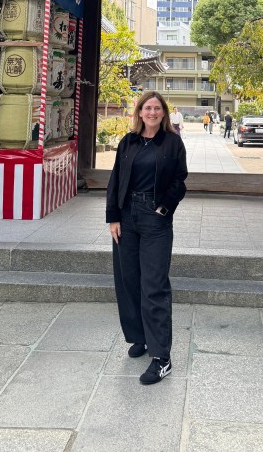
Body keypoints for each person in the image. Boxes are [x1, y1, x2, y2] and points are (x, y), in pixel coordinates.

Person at [106, 90, 188, 385]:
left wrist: (164, 207)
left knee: (154, 285)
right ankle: (139, 337)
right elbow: (115, 180)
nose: (152, 112)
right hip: (127, 217)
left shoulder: (172, 143)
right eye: (147, 108)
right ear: (139, 112)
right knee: (128, 280)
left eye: (157, 108)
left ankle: (161, 357)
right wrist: (112, 216)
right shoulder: (127, 142)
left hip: (155, 219)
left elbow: (180, 179)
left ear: (164, 114)